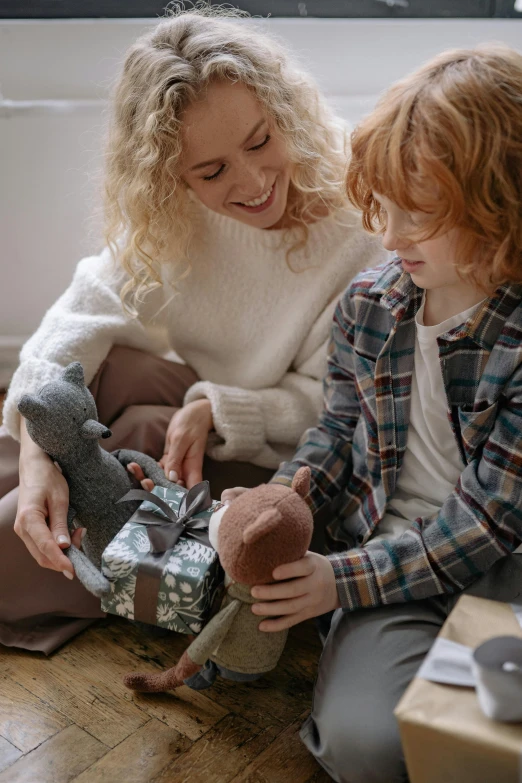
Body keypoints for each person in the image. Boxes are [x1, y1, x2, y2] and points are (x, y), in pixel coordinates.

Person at [0, 6, 384, 654]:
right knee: (104, 376)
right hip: (194, 419)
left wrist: (216, 407)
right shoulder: (169, 213)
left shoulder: (356, 217)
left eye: (261, 141)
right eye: (211, 172)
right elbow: (74, 318)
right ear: (170, 174)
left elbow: (331, 407)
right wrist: (39, 458)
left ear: (283, 111)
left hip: (275, 463)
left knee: (137, 430)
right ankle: (40, 492)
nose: (255, 182)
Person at [223, 44, 522, 782]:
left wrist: (340, 580)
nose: (388, 238)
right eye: (382, 210)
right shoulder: (371, 301)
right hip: (390, 562)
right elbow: (337, 429)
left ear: (500, 205)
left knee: (483, 733)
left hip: (507, 566)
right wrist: (281, 496)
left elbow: (489, 519)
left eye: (418, 217)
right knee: (367, 743)